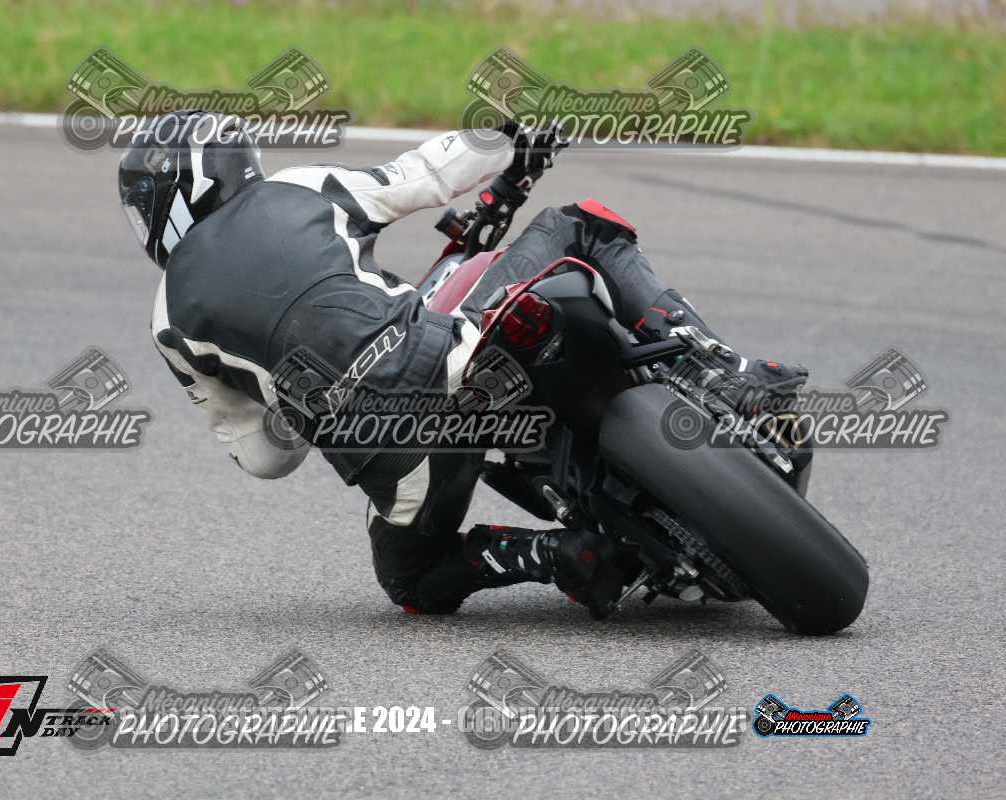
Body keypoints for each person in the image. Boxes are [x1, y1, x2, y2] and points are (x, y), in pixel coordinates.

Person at [120, 111, 806, 616]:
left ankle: (556, 555)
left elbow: (266, 459)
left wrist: (299, 401)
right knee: (580, 224)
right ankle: (720, 369)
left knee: (411, 582)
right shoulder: (298, 189)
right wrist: (510, 140)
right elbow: (421, 176)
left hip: (394, 456)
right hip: (451, 358)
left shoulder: (167, 320)